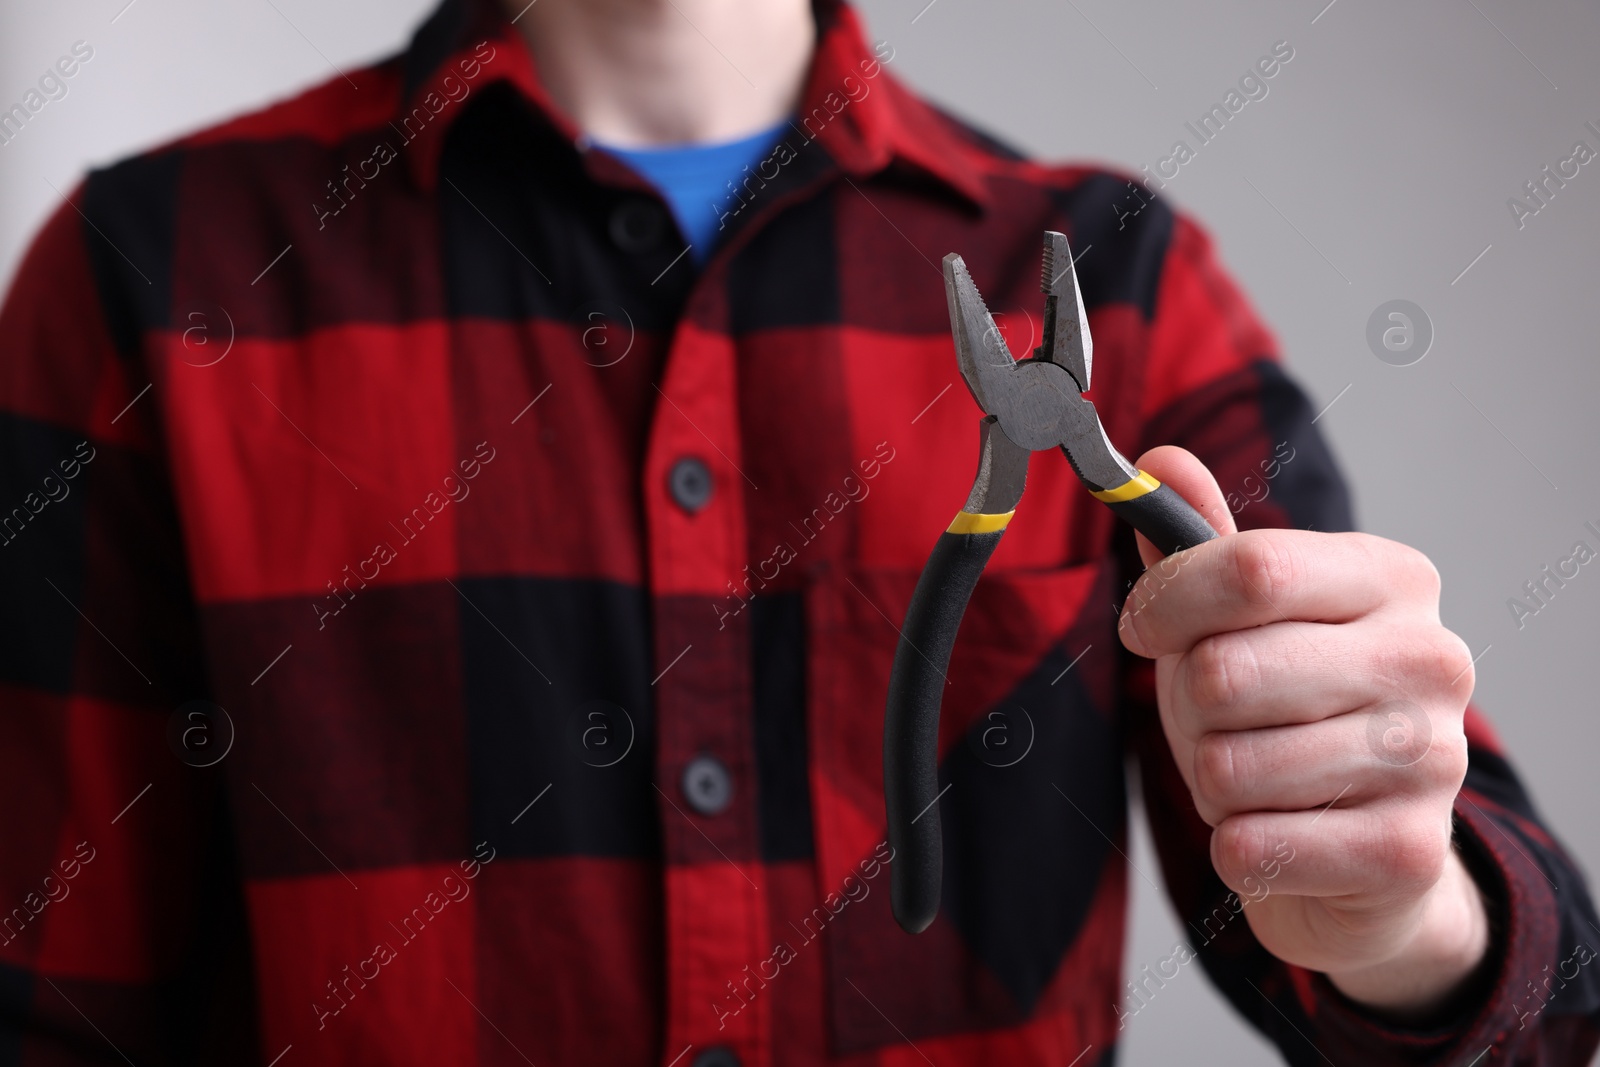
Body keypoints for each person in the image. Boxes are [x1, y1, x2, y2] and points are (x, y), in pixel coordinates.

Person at [0, 0, 1595, 1063]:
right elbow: (47, 1007)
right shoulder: (150, 274)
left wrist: (1404, 915)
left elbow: (1537, 993)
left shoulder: (1123, 271)